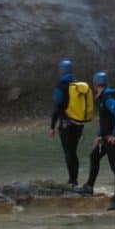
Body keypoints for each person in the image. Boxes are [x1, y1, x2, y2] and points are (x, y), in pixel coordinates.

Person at [73, 71, 115, 210]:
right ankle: (89, 187)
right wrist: (99, 136)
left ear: (95, 84)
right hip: (106, 138)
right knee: (94, 156)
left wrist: (114, 135)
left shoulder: (107, 97)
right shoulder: (103, 97)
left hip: (114, 140)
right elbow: (105, 120)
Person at [49, 59, 85, 188]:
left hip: (66, 124)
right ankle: (74, 179)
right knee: (73, 152)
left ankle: (72, 181)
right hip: (79, 124)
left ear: (61, 70)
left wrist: (52, 126)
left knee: (69, 152)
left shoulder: (60, 85)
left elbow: (57, 106)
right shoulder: (77, 84)